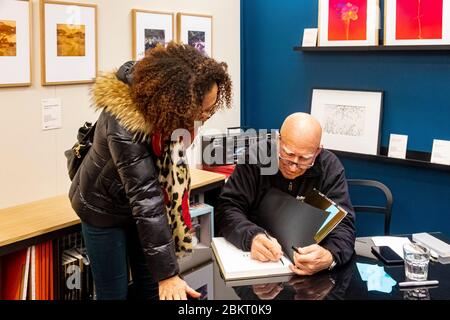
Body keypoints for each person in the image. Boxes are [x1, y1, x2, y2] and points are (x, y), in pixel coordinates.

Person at [69, 42, 232, 300]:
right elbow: (146, 199)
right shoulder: (125, 123)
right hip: (103, 208)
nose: (205, 115)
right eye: (202, 109)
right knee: (114, 293)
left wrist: (166, 277)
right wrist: (168, 275)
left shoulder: (166, 110)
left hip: (141, 207)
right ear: (179, 100)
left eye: (211, 109)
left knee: (151, 288)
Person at [215, 113, 355, 276]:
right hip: (255, 265)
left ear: (317, 152)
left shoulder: (330, 168)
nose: (293, 167)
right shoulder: (255, 157)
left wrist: (330, 255)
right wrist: (251, 236)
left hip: (306, 270)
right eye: (288, 155)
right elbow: (227, 208)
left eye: (304, 159)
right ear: (278, 141)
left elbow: (344, 225)